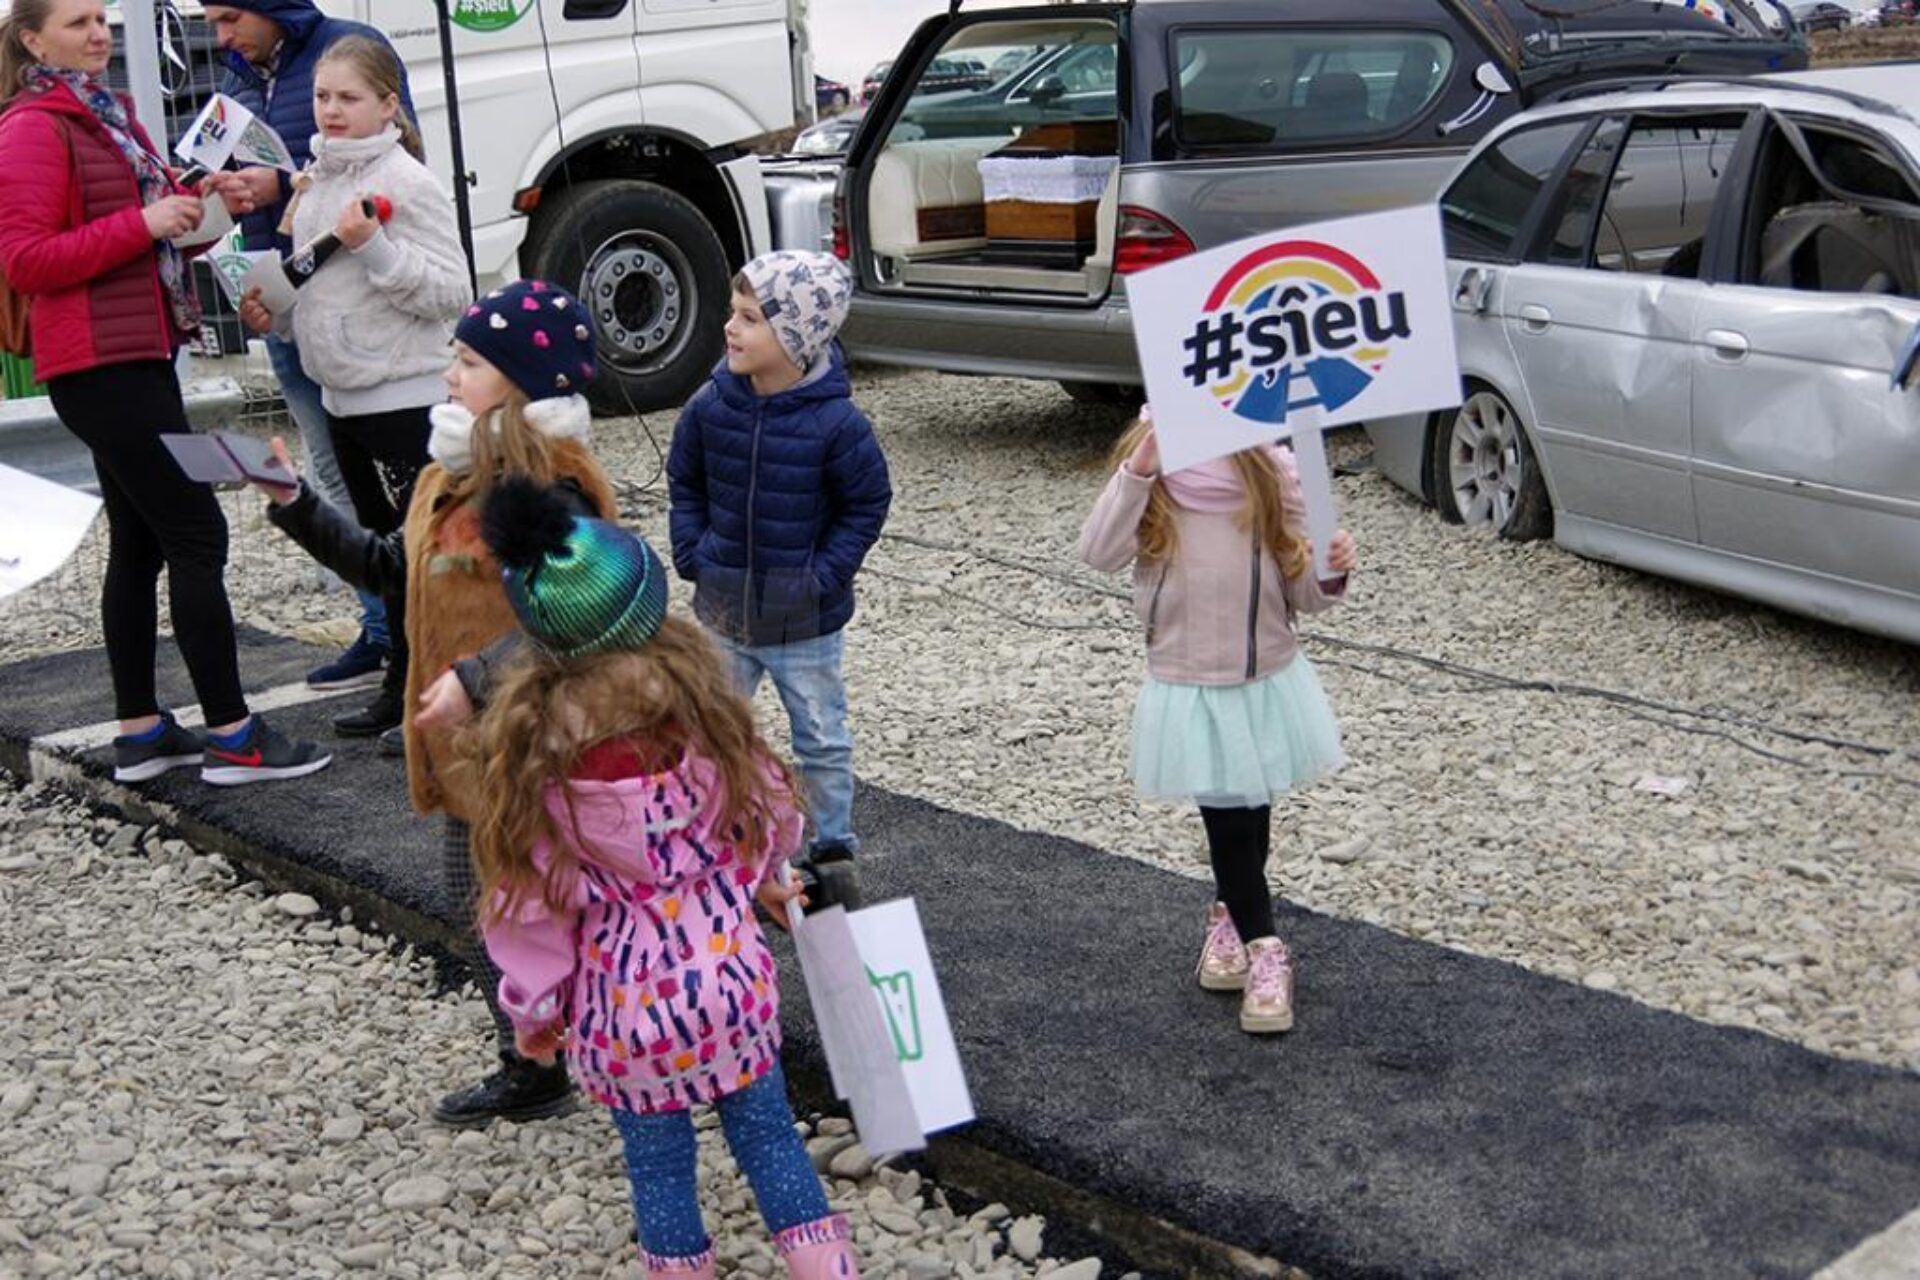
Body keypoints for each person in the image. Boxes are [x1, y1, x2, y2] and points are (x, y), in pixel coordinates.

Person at [467, 477, 860, 1280]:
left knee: (659, 1171)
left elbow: (531, 919)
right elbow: (773, 818)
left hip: (625, 1015)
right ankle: (827, 1265)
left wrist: (532, 1011)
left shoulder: (543, 782)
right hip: (732, 987)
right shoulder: (707, 731)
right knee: (769, 1137)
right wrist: (763, 879)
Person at [248, 282, 616, 1124]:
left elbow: (576, 620)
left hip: (528, 742)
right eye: (455, 357)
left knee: (528, 907)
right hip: (465, 747)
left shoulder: (554, 490)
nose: (450, 374)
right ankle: (543, 1053)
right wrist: (295, 502)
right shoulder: (447, 476)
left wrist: (475, 679)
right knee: (489, 905)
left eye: (470, 362)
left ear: (523, 385)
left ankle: (559, 1058)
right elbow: (391, 568)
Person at [0, 0, 330, 786]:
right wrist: (147, 222)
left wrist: (204, 209)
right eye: (78, 22)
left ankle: (142, 732)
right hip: (99, 363)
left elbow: (147, 237)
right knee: (197, 532)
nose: (98, 33)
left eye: (100, 18)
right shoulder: (31, 127)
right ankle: (235, 737)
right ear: (31, 39)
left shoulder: (104, 113)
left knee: (141, 540)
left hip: (137, 352)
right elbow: (25, 260)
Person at [1078, 410, 1357, 1035]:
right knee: (1229, 821)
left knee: (1252, 815)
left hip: (1263, 677)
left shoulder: (1270, 470)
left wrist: (1332, 568)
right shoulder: (1154, 471)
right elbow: (1098, 553)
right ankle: (1265, 947)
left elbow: (1304, 592)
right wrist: (1140, 470)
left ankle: (1228, 919)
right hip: (1191, 682)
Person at [238, 34, 469, 744]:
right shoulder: (316, 178)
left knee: (424, 558)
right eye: (321, 97)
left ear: (389, 105)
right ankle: (401, 686)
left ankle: (440, 695)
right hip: (340, 395)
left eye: (348, 98)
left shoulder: (408, 182)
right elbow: (316, 286)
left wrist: (376, 249)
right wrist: (276, 314)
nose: (331, 110)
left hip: (404, 396)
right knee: (380, 554)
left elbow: (454, 292)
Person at [205, 0, 418, 705]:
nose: (223, 35)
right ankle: (379, 632)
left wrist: (285, 181)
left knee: (388, 489)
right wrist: (228, 192)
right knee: (328, 470)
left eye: (231, 17)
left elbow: (396, 161)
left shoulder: (353, 45)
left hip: (359, 314)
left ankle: (414, 636)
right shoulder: (239, 77)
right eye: (212, 22)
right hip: (284, 300)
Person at [667, 251, 891, 913]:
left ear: (796, 337)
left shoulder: (837, 425)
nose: (729, 328)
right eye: (733, 313)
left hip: (804, 624)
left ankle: (833, 851)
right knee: (708, 729)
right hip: (722, 613)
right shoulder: (710, 406)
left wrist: (823, 576)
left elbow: (867, 503)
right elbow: (685, 480)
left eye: (749, 318)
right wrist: (693, 552)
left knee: (820, 736)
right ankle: (713, 841)